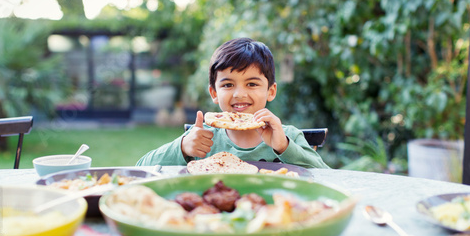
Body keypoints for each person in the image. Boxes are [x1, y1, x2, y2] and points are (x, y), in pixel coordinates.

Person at [136, 37, 328, 168]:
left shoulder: (288, 136)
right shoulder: (201, 140)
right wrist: (182, 148)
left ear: (271, 91)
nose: (239, 94)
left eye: (252, 84)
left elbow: (328, 177)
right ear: (214, 93)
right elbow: (141, 169)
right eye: (228, 85)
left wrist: (285, 147)